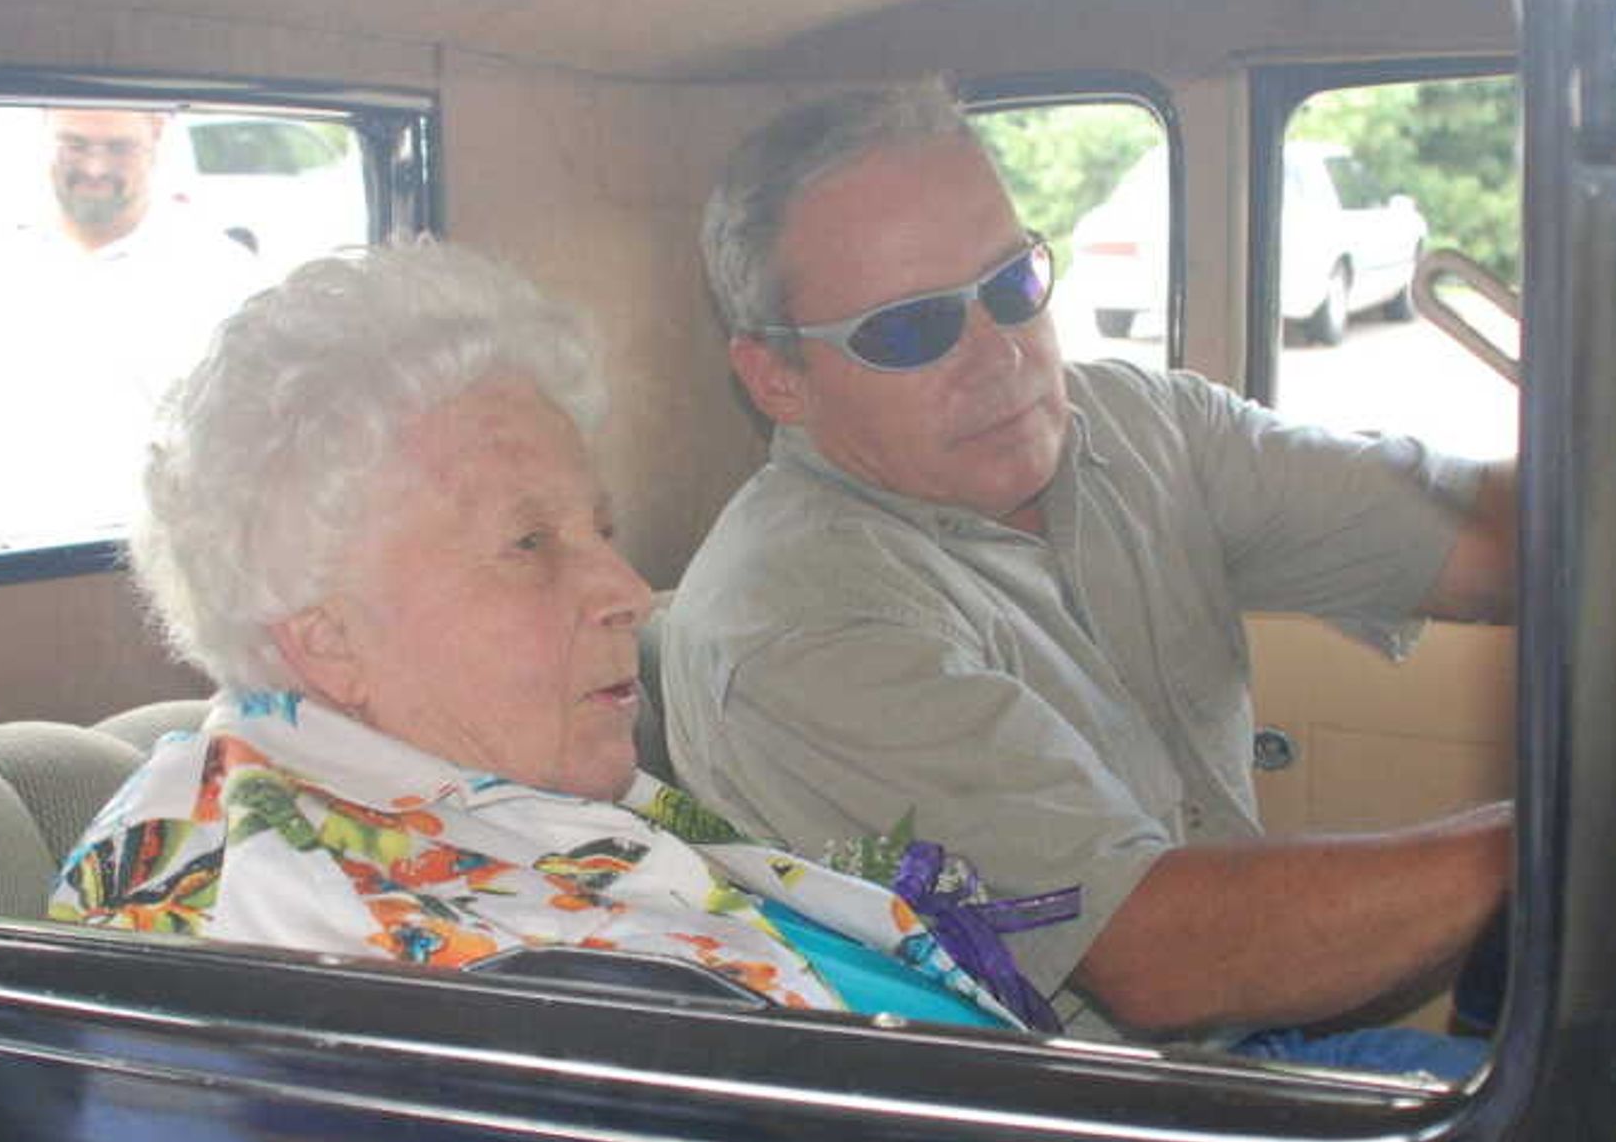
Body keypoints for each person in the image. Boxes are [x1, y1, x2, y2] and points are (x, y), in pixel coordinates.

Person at [660, 84, 1515, 1052]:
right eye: (910, 329)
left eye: (1011, 284)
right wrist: (1546, 845)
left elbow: (1474, 532)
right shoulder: (800, 618)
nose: (1002, 354)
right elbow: (1154, 955)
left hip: (1235, 1058)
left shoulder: (1133, 426)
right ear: (776, 375)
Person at [50, 240, 1036, 1029]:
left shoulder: (487, 794)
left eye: (600, 529)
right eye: (528, 542)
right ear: (329, 641)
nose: (626, 590)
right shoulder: (285, 911)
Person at [0, 104, 258, 549]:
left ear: (157, 135)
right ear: (45, 128)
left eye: (118, 148)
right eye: (75, 145)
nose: (95, 167)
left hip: (164, 585)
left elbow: (264, 445)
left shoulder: (224, 274)